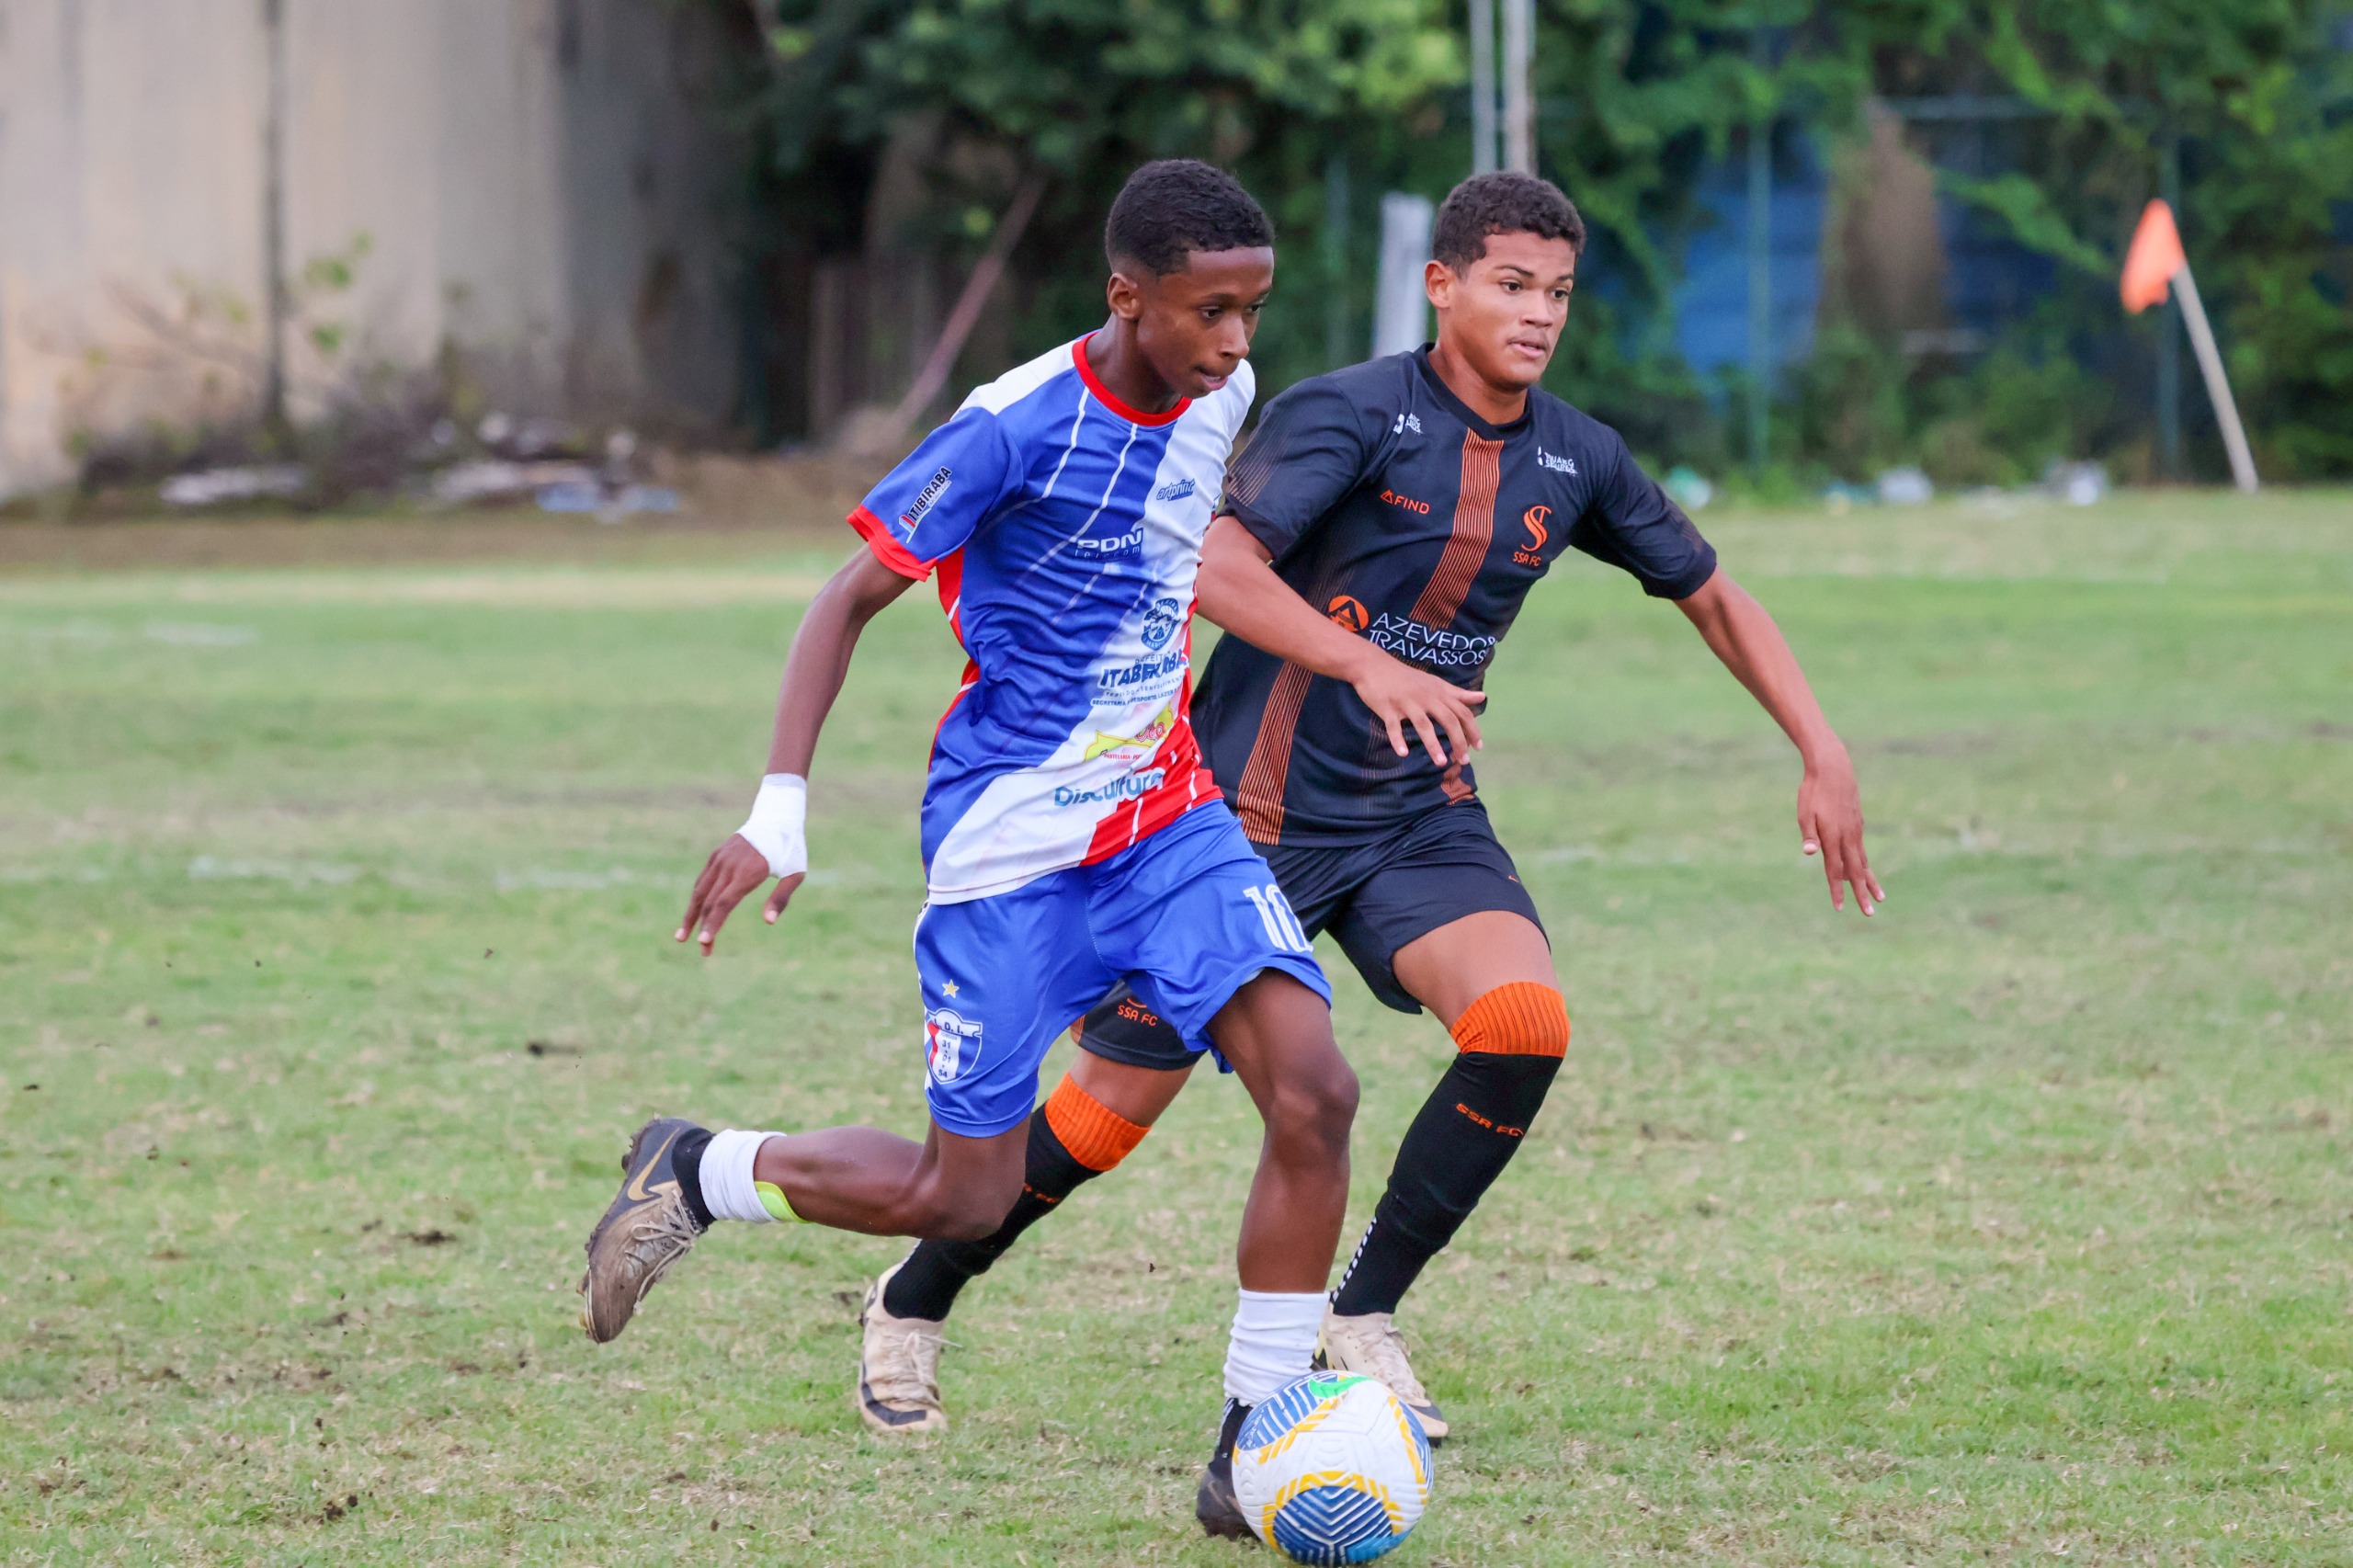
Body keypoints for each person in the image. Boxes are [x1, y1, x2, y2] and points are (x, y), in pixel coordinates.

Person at [864, 171, 1884, 1458]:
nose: (1539, 314)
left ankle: (1361, 1313)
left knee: (1522, 1025)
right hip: (1239, 817)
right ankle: (915, 1296)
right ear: (1442, 285)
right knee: (1102, 1117)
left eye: (1558, 293)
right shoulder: (1348, 414)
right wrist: (1366, 663)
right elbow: (1217, 564)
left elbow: (1714, 594)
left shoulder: (1577, 455)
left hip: (1415, 816)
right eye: (1511, 285)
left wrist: (1820, 745)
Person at [574, 160, 1359, 1535]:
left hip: (1168, 818)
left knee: (1316, 1089)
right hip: (1010, 851)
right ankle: (700, 1170)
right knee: (965, 1195)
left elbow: (1185, 560)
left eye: (1254, 310)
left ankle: (1256, 1437)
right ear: (1127, 295)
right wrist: (779, 803)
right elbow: (846, 597)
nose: (1239, 343)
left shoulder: (1219, 395)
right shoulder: (1011, 425)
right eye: (1211, 312)